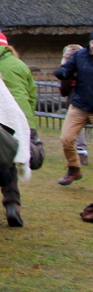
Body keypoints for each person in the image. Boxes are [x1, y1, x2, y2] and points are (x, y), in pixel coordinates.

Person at [0, 32, 36, 226]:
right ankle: (12, 204)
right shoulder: (20, 65)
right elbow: (31, 96)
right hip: (18, 119)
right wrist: (29, 122)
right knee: (11, 161)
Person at [53, 31, 93, 186]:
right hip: (79, 106)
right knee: (66, 139)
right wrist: (62, 72)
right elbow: (68, 69)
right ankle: (74, 169)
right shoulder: (80, 56)